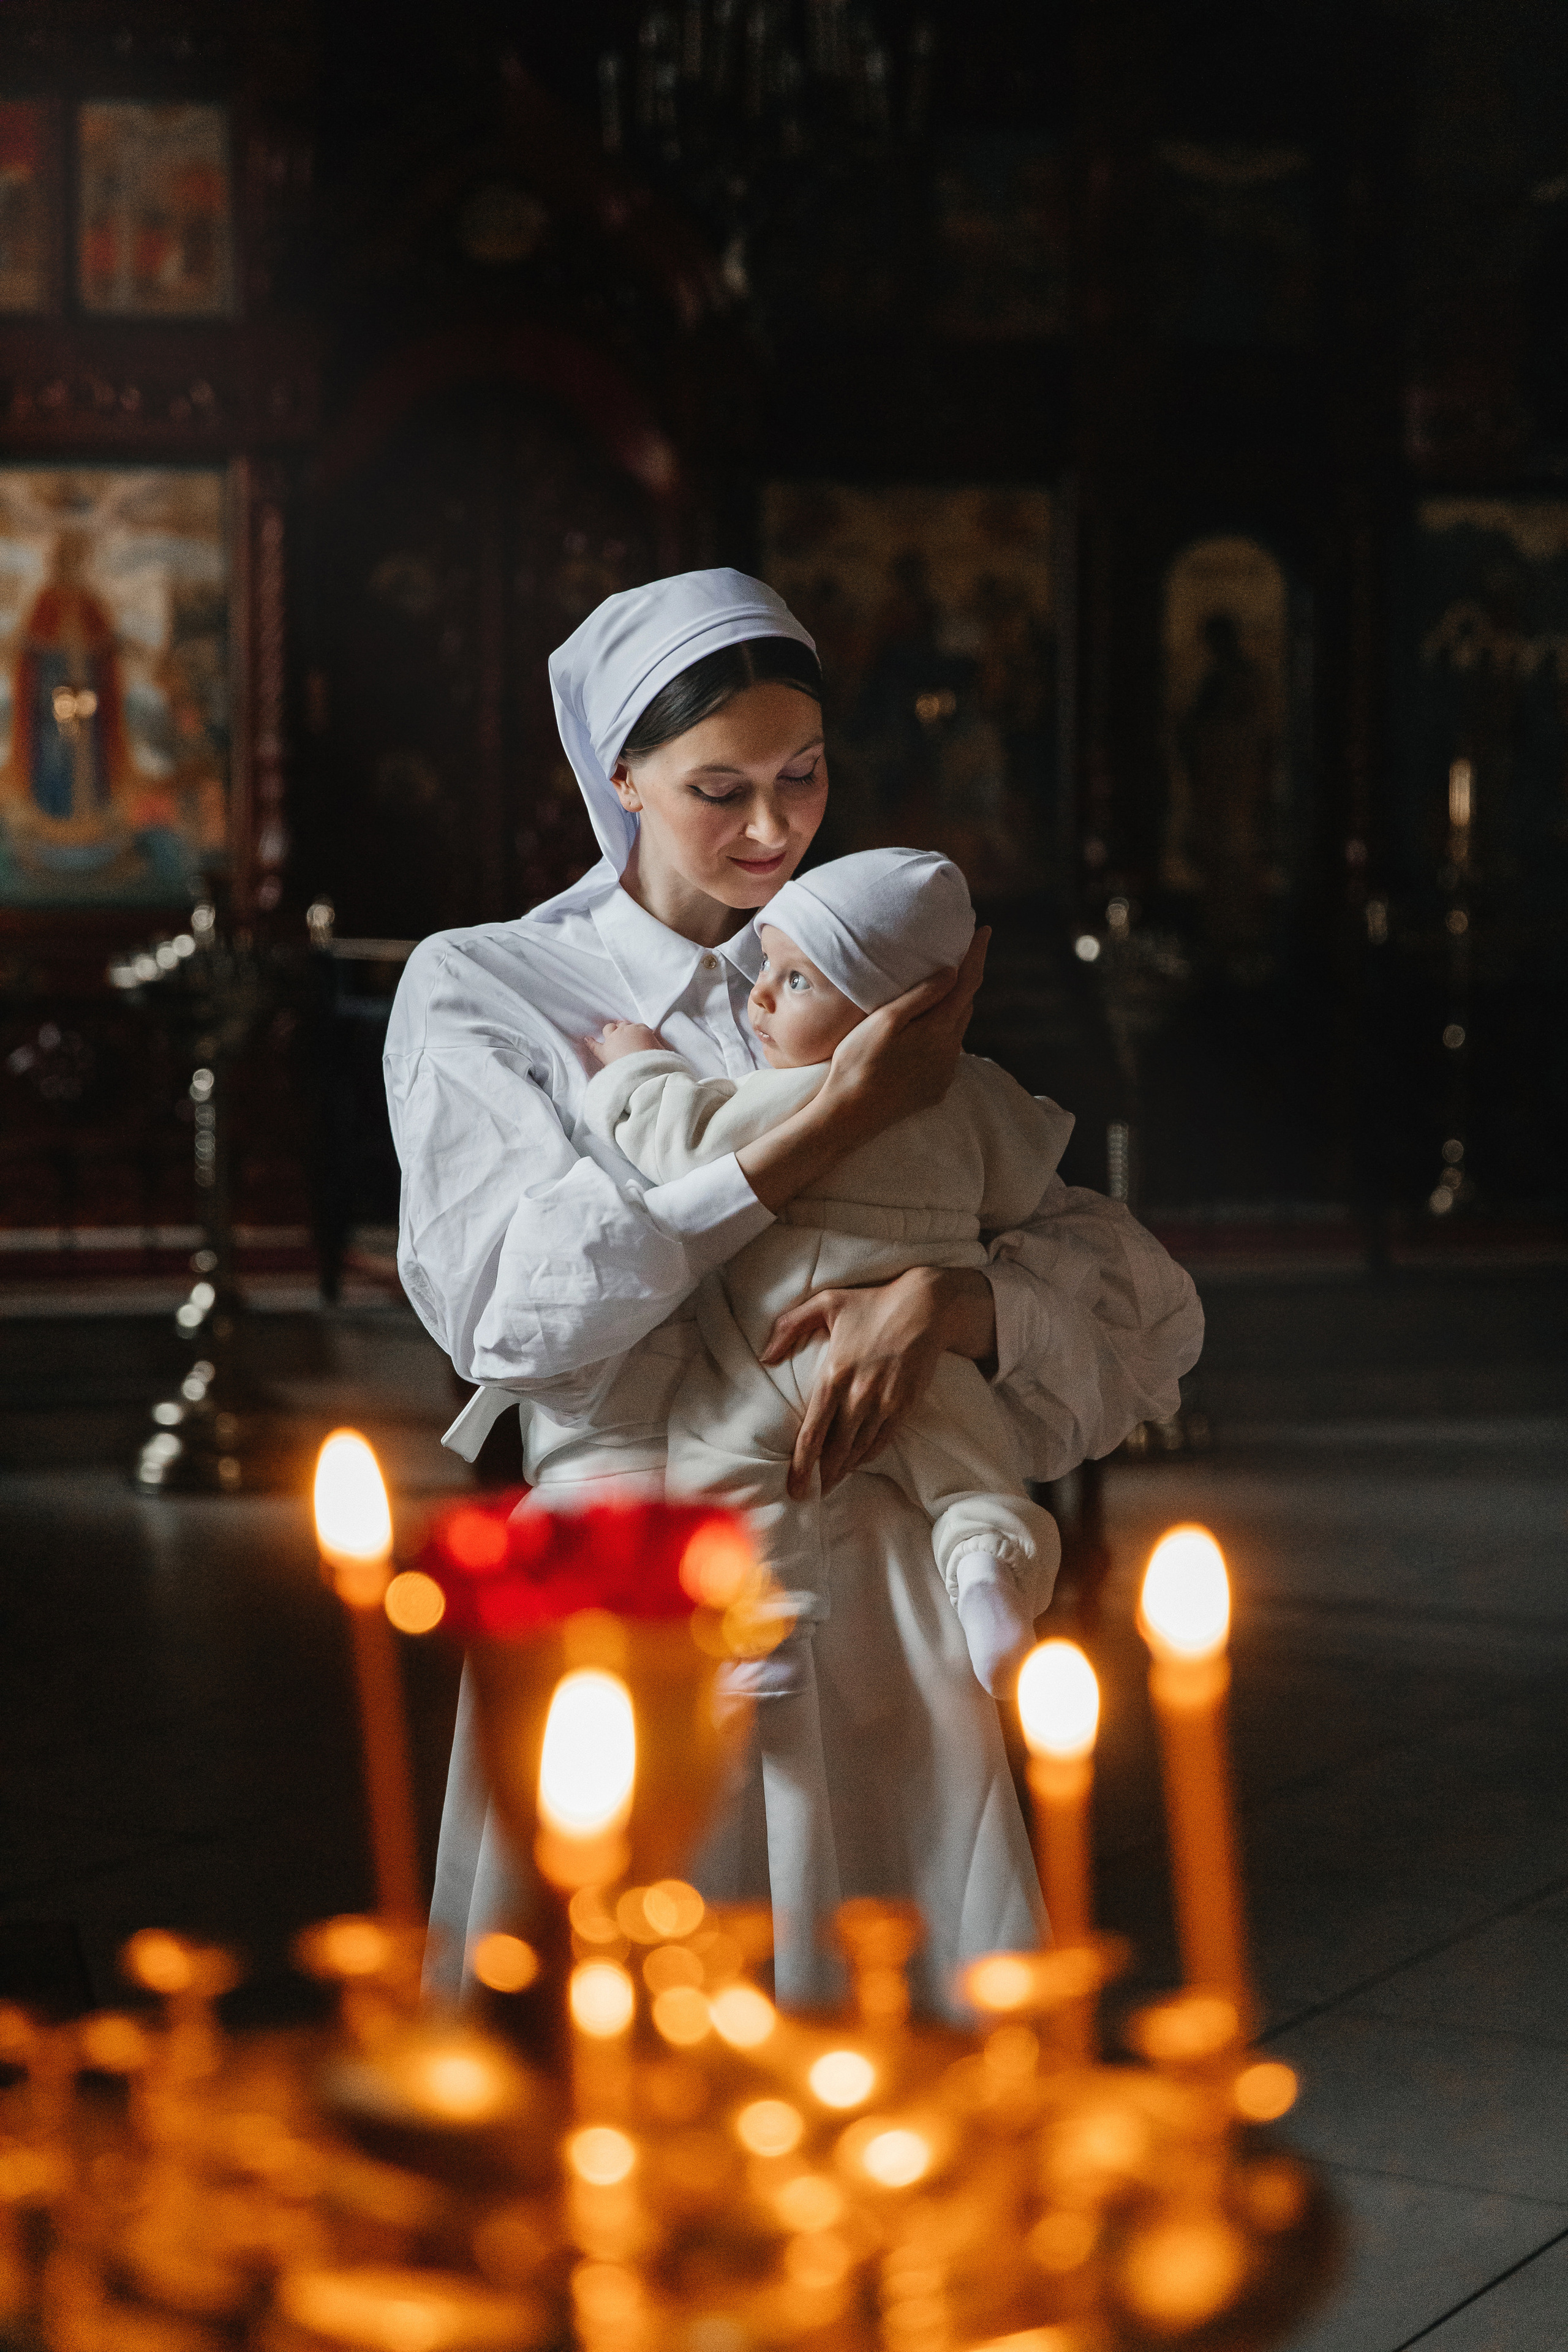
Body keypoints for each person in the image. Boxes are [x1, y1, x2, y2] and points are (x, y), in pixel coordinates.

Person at [385, 568, 1203, 2014]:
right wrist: (827, 1121)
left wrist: (948, 1308)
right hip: (632, 1582)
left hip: (883, 1575)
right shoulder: (491, 986)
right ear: (618, 775)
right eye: (719, 788)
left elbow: (1126, 1285)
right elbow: (510, 1314)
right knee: (615, 2056)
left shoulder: (868, 956)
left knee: (899, 2060)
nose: (771, 829)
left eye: (802, 775)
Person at [581, 846, 1068, 1702]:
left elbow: (681, 1143)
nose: (759, 996)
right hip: (928, 1365)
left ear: (889, 1015)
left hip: (777, 1357)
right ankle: (988, 1574)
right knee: (972, 1473)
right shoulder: (978, 1097)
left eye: (798, 982)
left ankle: (763, 1625)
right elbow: (1024, 1181)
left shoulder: (798, 1096)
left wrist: (636, 1067)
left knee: (715, 1449)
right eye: (767, 968)